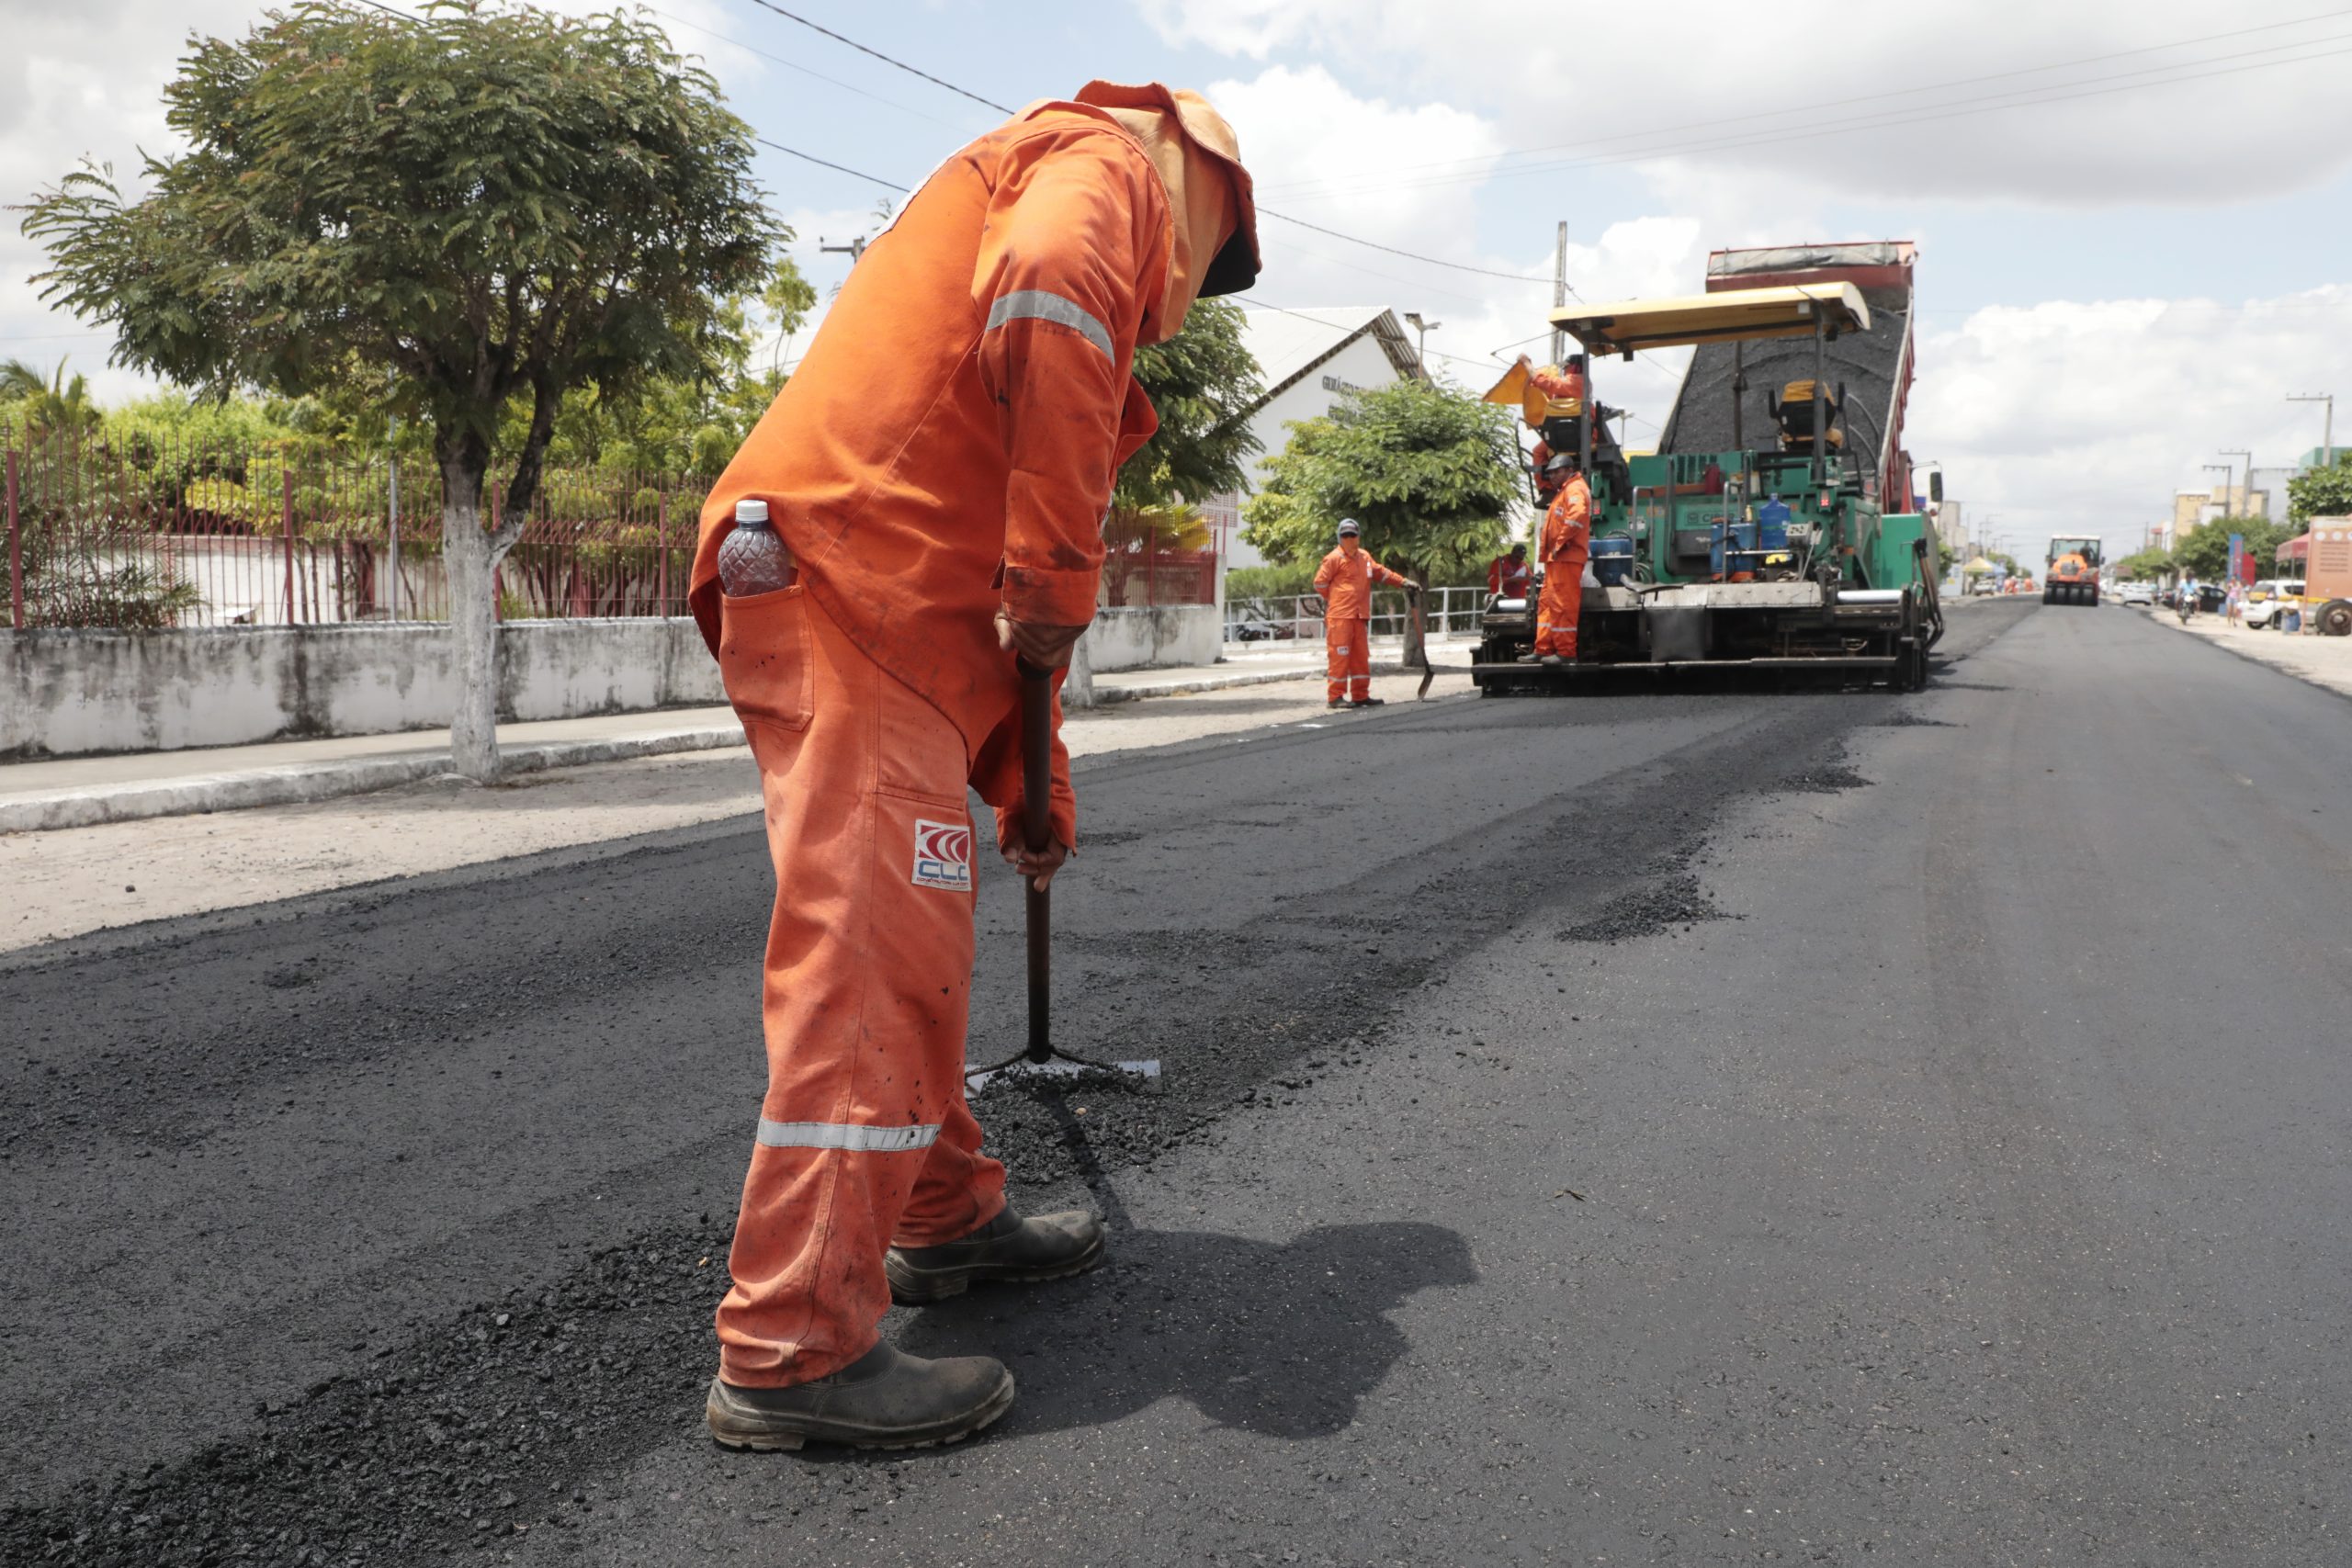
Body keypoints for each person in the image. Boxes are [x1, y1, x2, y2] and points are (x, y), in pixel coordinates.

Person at [687, 80, 1259, 1452]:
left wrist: (1033, 784)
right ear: (1202, 188)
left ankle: (943, 1218)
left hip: (882, 601)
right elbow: (1063, 292)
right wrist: (1062, 569)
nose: (1178, 297)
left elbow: (1010, 624)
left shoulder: (1037, 181)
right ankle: (790, 1346)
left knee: (912, 927)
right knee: (877, 955)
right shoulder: (1108, 166)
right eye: (1202, 267)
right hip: (859, 578)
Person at [1314, 519, 1416, 708]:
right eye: (1345, 535)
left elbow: (1382, 573)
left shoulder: (1364, 558)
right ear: (1339, 537)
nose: (1349, 538)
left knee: (1360, 658)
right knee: (1339, 658)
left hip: (1359, 617)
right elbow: (1319, 584)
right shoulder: (1334, 558)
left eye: (1352, 535)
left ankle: (1360, 695)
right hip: (1340, 618)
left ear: (1358, 536)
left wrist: (1404, 582)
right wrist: (1336, 598)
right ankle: (1335, 697)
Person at [1529, 451, 1592, 665]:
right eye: (1550, 473)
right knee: (1547, 603)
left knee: (1563, 604)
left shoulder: (1574, 489)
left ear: (1568, 470)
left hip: (1566, 557)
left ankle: (1566, 653)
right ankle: (1543, 649)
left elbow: (1577, 515)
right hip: (1556, 560)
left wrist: (1560, 541)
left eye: (1556, 472)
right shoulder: (1564, 491)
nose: (1552, 476)